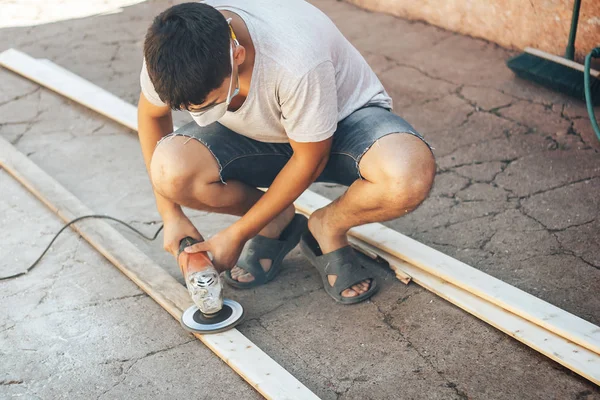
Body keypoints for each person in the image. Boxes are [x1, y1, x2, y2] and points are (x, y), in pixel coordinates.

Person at [138, 0, 435, 304]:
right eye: (187, 109)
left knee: (407, 174)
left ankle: (326, 227)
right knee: (169, 172)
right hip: (260, 134)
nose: (199, 116)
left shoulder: (296, 61)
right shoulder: (170, 51)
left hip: (341, 124)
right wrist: (170, 213)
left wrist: (237, 234)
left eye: (210, 104)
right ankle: (275, 220)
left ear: (237, 55)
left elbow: (310, 159)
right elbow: (151, 115)